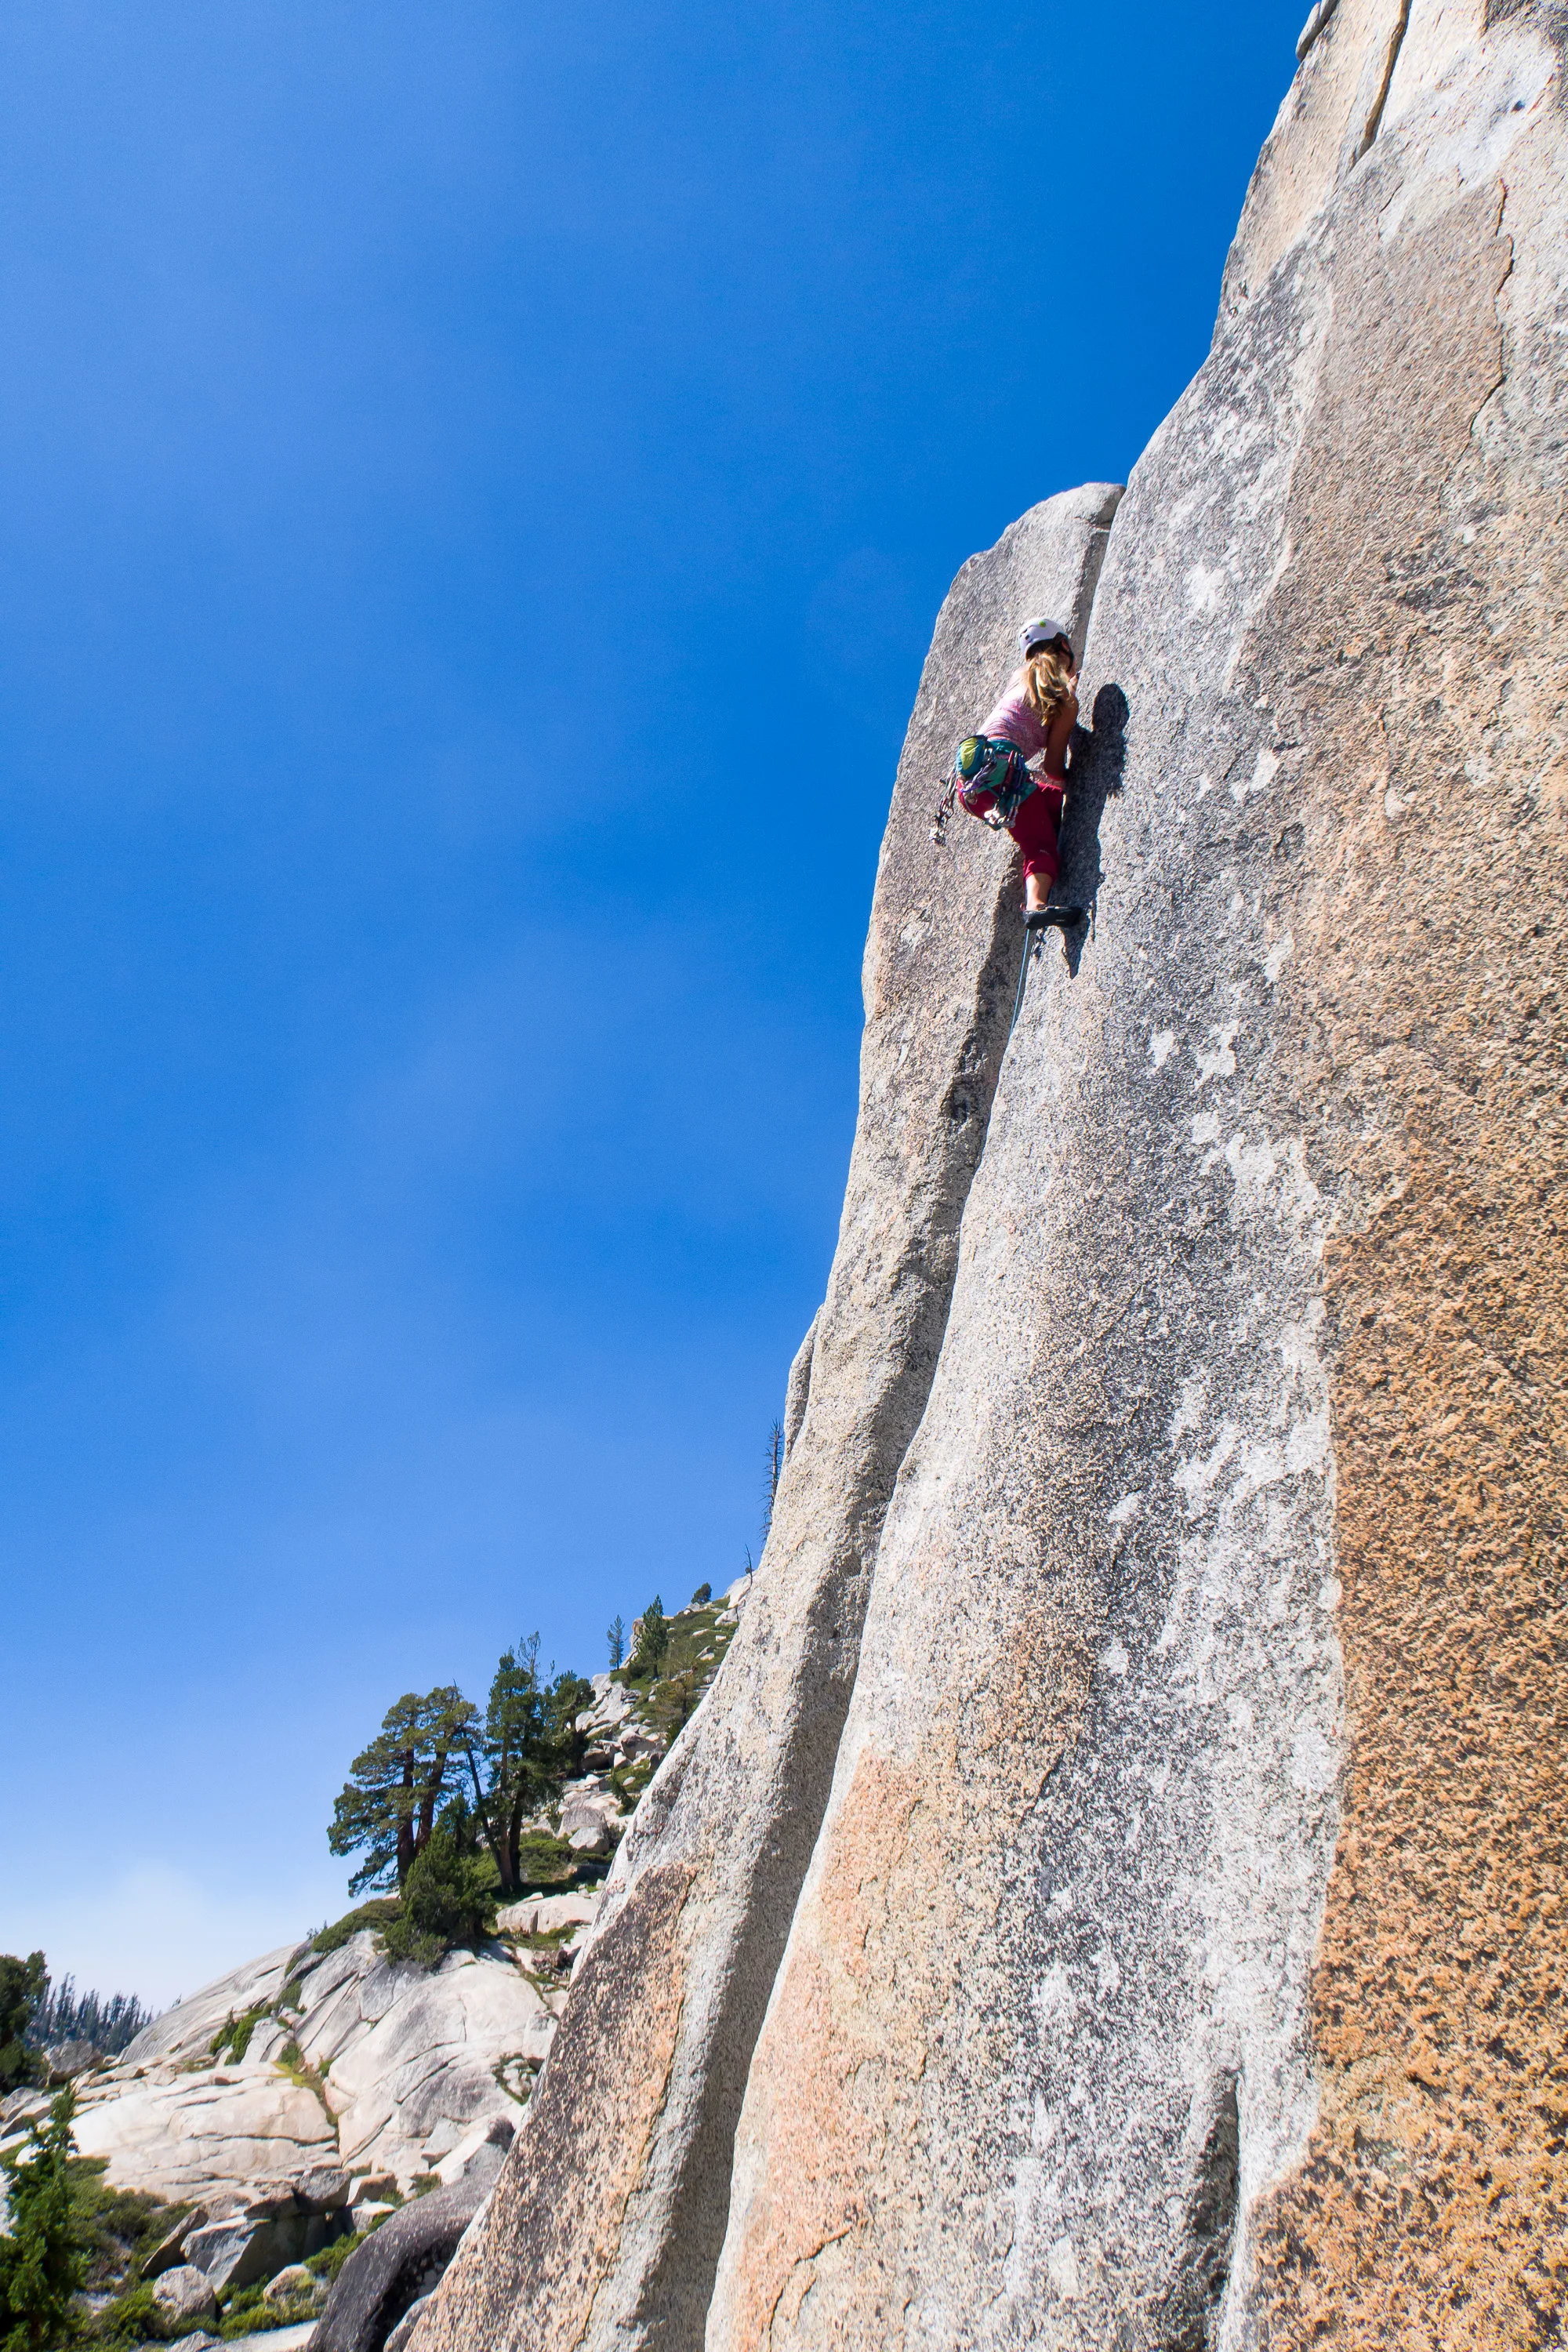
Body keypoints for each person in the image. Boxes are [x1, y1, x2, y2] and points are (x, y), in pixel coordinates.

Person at [953, 619, 1081, 927]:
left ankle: (1044, 820)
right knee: (1039, 844)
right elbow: (1052, 768)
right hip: (1002, 773)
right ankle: (1036, 906)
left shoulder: (1019, 679)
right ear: (1064, 645)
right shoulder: (1065, 700)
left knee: (1049, 800)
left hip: (967, 785)